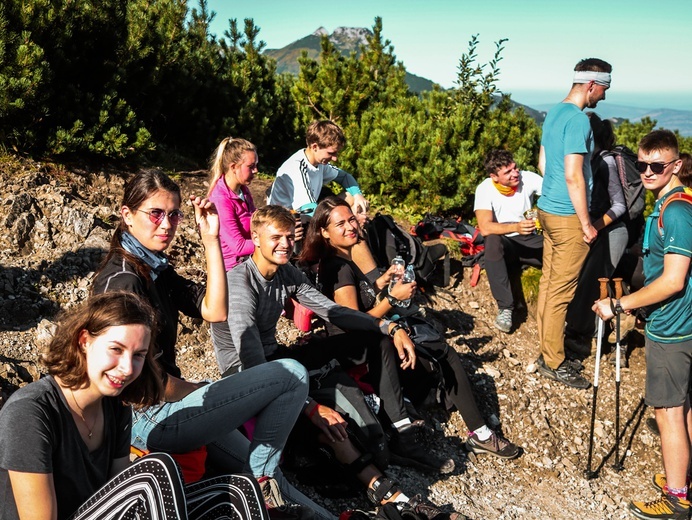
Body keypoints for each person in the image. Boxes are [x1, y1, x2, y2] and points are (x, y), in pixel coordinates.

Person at [91, 169, 329, 519]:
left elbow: (214, 310)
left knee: (267, 475)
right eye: (156, 213)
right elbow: (138, 381)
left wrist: (211, 240)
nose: (166, 224)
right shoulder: (123, 282)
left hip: (167, 406)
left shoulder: (153, 267)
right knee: (290, 374)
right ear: (127, 215)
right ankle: (264, 481)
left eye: (174, 214)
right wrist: (204, 390)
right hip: (147, 416)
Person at [210, 205, 462, 519]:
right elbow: (251, 360)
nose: (285, 244)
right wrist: (309, 405)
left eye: (290, 237)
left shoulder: (286, 271)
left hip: (275, 358)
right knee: (328, 424)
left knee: (369, 342)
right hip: (244, 374)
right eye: (276, 237)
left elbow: (334, 311)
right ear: (256, 238)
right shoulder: (240, 284)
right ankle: (394, 497)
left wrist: (388, 325)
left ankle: (396, 428)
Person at [0, 292, 268, 520]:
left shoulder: (115, 407)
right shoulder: (31, 412)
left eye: (138, 355)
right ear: (84, 341)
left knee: (239, 491)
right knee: (155, 470)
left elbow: (117, 493)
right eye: (116, 349)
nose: (127, 368)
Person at [305, 196, 520, 459]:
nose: (351, 226)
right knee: (443, 354)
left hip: (373, 341)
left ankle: (468, 424)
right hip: (360, 352)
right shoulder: (337, 268)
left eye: (351, 219)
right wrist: (393, 300)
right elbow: (353, 322)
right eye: (341, 224)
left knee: (437, 353)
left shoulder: (343, 258)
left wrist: (382, 282)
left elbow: (359, 298)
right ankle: (481, 434)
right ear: (325, 233)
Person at [593, 130, 691, 520]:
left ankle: (676, 497)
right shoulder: (677, 204)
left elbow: (673, 280)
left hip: (674, 327)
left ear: (676, 166)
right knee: (684, 407)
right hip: (680, 319)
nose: (647, 172)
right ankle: (682, 477)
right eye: (642, 165)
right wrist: (641, 304)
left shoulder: (677, 212)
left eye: (657, 166)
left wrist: (620, 305)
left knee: (667, 412)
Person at [535, 57, 612, 389]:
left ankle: (546, 349)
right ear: (592, 84)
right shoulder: (579, 121)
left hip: (547, 209)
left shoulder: (554, 112)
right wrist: (586, 223)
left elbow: (542, 164)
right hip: (568, 216)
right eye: (605, 89)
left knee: (549, 283)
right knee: (562, 291)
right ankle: (553, 361)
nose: (605, 97)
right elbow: (573, 175)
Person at [565, 113, 628, 359]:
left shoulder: (605, 162)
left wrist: (592, 227)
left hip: (611, 231)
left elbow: (620, 206)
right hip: (598, 230)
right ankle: (586, 336)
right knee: (587, 283)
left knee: (596, 285)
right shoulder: (588, 159)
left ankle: (598, 340)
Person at [473, 149, 543, 333]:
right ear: (494, 176)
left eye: (515, 168)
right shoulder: (485, 188)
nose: (515, 174)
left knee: (558, 245)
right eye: (508, 172)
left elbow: (554, 195)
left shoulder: (527, 178)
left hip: (531, 238)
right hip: (508, 243)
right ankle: (506, 308)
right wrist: (515, 227)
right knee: (492, 241)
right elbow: (485, 227)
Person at [268, 120, 368, 217]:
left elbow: (345, 177)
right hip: (285, 220)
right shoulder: (297, 169)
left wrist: (358, 195)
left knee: (352, 197)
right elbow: (309, 211)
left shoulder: (319, 162)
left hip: (306, 212)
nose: (335, 158)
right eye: (331, 153)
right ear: (315, 146)